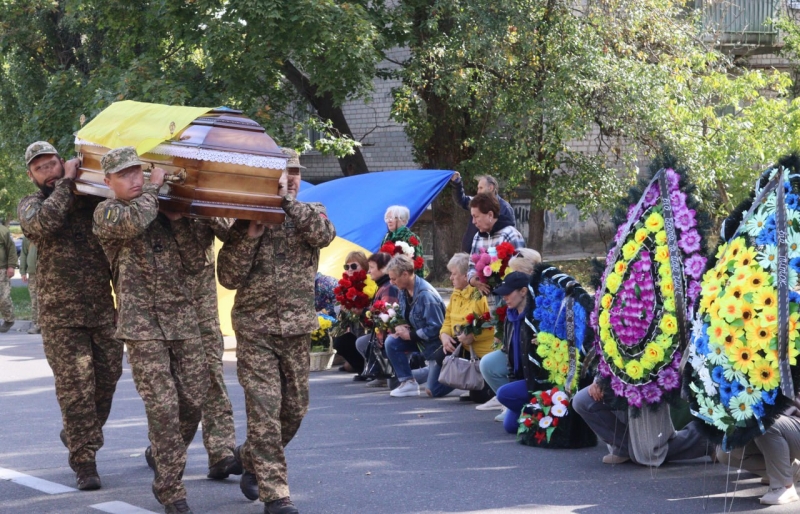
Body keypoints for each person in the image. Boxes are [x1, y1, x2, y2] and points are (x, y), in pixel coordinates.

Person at [217, 147, 335, 514]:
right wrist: (251, 233)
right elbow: (228, 276)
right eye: (283, 173)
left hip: (296, 329)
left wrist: (286, 204)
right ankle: (276, 494)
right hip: (256, 329)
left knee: (294, 410)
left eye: (296, 173)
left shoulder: (310, 214)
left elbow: (325, 234)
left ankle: (249, 456)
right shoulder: (245, 218)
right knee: (265, 410)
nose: (291, 178)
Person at [93, 146, 209, 514]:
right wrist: (155, 192)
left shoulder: (160, 212)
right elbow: (132, 222)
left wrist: (178, 222)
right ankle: (171, 488)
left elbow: (195, 262)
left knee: (193, 403)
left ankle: (163, 454)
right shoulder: (107, 212)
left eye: (137, 172)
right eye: (124, 175)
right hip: (141, 328)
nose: (134, 179)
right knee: (163, 407)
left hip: (183, 323)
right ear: (108, 181)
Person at [17, 141, 123, 491]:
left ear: (64, 162)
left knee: (107, 380)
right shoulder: (32, 205)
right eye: (40, 169)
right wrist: (66, 184)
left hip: (100, 310)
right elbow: (44, 225)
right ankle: (85, 461)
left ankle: (78, 434)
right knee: (76, 391)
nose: (48, 172)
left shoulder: (91, 202)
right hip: (60, 318)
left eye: (52, 164)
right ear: (31, 176)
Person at [186, 217, 243, 481]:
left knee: (212, 379)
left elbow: (232, 233)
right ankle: (164, 449)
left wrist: (203, 204)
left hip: (201, 309)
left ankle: (221, 452)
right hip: (157, 314)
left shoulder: (202, 197)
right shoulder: (145, 192)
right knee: (173, 392)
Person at [572, 375, 711, 467]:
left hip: (652, 381)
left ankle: (707, 439)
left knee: (650, 454)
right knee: (583, 401)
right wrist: (599, 378)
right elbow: (604, 347)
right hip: (620, 379)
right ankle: (624, 449)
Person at [715, 397, 800, 505]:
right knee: (727, 451)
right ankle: (791, 470)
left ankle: (784, 486)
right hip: (784, 419)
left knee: (765, 422)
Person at [384, 254, 447, 397]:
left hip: (435, 347)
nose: (391, 282)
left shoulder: (426, 295)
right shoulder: (403, 290)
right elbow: (403, 314)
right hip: (420, 341)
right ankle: (408, 382)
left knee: (433, 391)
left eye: (394, 278)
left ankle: (438, 372)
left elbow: (436, 328)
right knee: (392, 342)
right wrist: (399, 326)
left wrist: (410, 335)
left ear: (405, 274)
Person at [438, 253, 495, 403]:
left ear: (466, 276)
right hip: (466, 351)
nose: (450, 278)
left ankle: (486, 384)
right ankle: (470, 383)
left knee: (479, 398)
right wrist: (444, 336)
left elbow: (494, 324)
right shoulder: (455, 294)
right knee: (440, 355)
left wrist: (473, 336)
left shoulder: (481, 294)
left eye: (453, 274)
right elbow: (448, 320)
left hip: (484, 353)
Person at [485, 272, 535, 432]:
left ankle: (542, 411)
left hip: (537, 381)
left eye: (508, 293)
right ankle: (534, 413)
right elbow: (509, 356)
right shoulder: (510, 317)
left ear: (523, 291)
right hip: (521, 379)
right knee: (511, 426)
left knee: (504, 394)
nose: (504, 297)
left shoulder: (536, 317)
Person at [355, 252, 400, 387]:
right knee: (361, 342)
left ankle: (407, 373)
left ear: (384, 268)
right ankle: (382, 374)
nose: (369, 271)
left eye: (372, 267)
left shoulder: (389, 287)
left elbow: (386, 316)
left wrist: (363, 312)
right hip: (382, 334)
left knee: (395, 384)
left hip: (391, 335)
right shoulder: (382, 286)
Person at [466, 193, 526, 295]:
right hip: (486, 300)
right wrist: (472, 280)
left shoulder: (511, 235)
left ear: (490, 215)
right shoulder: (477, 236)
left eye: (476, 216)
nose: (473, 222)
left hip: (509, 297)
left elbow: (522, 270)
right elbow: (471, 267)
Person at [331, 251, 375, 377]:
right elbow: (338, 311)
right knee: (339, 342)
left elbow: (374, 309)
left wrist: (362, 311)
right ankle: (362, 369)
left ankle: (372, 369)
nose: (350, 269)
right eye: (347, 267)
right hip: (354, 328)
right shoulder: (346, 285)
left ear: (364, 267)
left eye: (354, 266)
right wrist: (343, 307)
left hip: (370, 328)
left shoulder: (370, 283)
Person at [451, 172, 516, 253]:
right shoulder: (476, 203)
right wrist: (457, 183)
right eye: (478, 188)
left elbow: (508, 235)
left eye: (481, 188)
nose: (478, 192)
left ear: (491, 188)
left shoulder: (505, 208)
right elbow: (461, 200)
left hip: (492, 258)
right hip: (470, 254)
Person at [381, 205, 426, 277]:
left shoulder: (410, 237)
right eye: (387, 218)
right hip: (387, 278)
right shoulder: (387, 236)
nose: (388, 221)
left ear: (403, 220)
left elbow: (418, 263)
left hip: (403, 278)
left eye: (392, 218)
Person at [20, 235, 40, 334]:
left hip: (46, 274)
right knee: (34, 300)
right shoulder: (27, 238)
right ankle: (36, 324)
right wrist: (23, 271)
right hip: (32, 274)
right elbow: (23, 254)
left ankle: (45, 324)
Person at [0, 221, 14, 333]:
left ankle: (9, 319)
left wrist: (11, 266)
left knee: (3, 298)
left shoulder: (3, 231)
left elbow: (11, 248)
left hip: (2, 269)